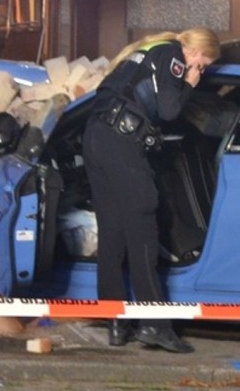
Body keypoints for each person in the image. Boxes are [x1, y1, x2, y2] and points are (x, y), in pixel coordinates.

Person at [82, 28, 220, 353]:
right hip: (122, 144)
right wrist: (188, 83)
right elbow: (170, 110)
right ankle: (155, 325)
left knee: (113, 234)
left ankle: (116, 323)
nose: (199, 70)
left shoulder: (144, 52)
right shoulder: (171, 54)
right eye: (202, 63)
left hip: (96, 139)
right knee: (143, 228)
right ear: (195, 50)